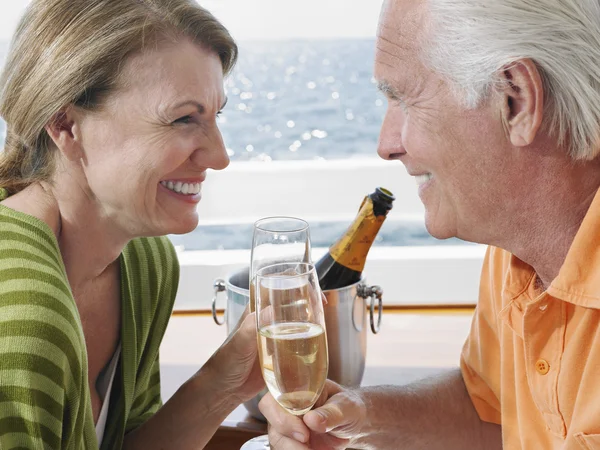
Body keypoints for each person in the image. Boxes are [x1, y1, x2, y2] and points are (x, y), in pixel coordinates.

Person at [260, 0, 600, 448]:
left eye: (404, 98)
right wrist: (357, 416)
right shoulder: (516, 251)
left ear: (516, 100)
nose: (386, 145)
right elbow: (489, 413)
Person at [0, 0, 263, 448]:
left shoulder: (143, 262)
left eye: (215, 115)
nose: (220, 156)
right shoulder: (24, 315)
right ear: (66, 124)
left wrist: (226, 381)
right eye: (183, 118)